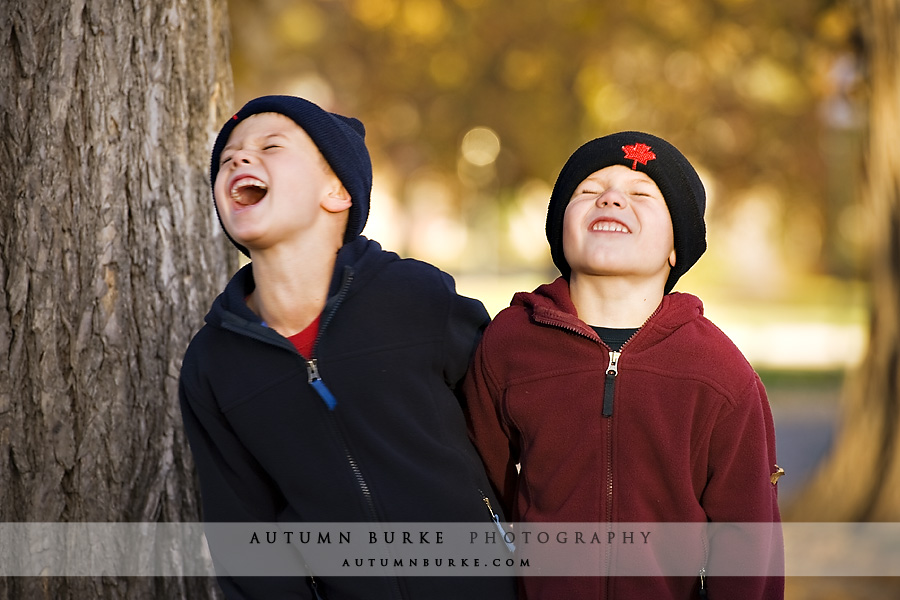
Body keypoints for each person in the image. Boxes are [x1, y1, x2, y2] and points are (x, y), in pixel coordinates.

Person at [179, 95, 516, 599]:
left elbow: (512, 420)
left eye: (271, 146)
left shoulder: (416, 298)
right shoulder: (213, 363)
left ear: (337, 192)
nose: (240, 159)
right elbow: (246, 541)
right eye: (228, 158)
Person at [463, 131, 784, 599]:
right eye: (589, 191)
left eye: (641, 194)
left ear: (678, 246)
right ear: (560, 230)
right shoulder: (509, 346)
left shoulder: (718, 373)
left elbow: (748, 543)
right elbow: (475, 495)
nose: (611, 199)